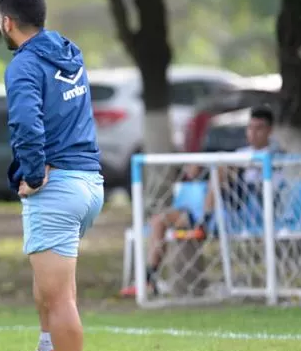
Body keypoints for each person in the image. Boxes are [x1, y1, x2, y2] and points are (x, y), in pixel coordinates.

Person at [0, 0, 104, 351]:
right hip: (89, 183)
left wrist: (33, 173)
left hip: (57, 187)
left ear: (7, 23)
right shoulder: (66, 50)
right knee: (50, 286)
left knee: (60, 298)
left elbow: (26, 123)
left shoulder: (23, 66)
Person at [120, 105, 280, 298]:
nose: (253, 134)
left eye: (259, 128)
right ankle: (148, 279)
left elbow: (271, 189)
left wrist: (231, 170)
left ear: (270, 130)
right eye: (250, 128)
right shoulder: (241, 152)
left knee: (221, 170)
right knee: (159, 220)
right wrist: (199, 167)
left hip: (249, 210)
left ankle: (204, 220)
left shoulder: (276, 155)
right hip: (220, 207)